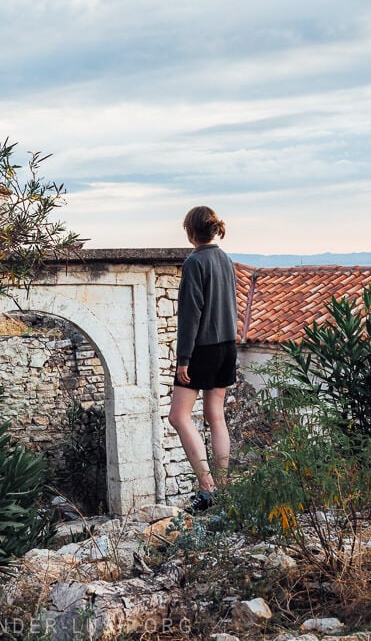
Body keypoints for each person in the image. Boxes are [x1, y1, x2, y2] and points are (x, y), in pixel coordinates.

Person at [168, 205, 238, 512]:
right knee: (216, 415)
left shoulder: (195, 262)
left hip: (203, 349)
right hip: (227, 346)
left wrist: (184, 358)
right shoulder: (225, 260)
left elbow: (190, 313)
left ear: (190, 231)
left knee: (178, 416)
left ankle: (208, 490)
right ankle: (224, 489)